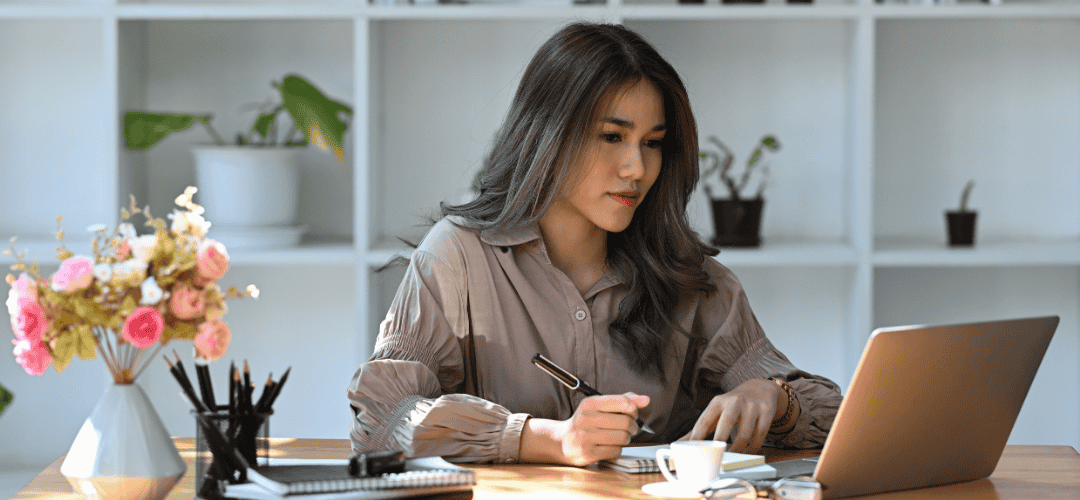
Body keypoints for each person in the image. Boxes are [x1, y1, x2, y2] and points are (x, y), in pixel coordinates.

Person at [347, 22, 842, 467]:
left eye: (652, 143)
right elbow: (383, 419)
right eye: (612, 137)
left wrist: (772, 395)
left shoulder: (687, 273)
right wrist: (545, 438)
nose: (637, 168)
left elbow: (837, 414)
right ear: (549, 135)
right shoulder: (458, 257)